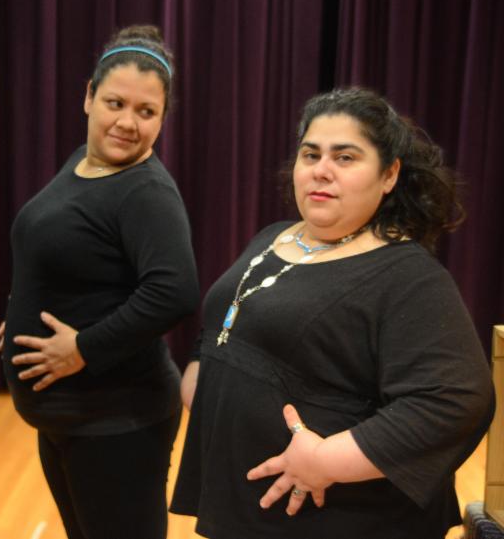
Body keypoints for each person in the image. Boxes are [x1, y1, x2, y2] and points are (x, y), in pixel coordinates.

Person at [170, 87, 495, 539]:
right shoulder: (274, 236)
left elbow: (456, 400)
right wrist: (204, 375)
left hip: (339, 519)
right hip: (251, 505)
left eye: (345, 157)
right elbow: (229, 317)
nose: (321, 171)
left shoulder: (408, 275)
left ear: (389, 175)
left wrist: (327, 461)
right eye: (311, 154)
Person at [0, 25, 199, 539]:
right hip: (72, 416)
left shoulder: (147, 192)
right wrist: (25, 311)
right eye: (115, 102)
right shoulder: (85, 164)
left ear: (162, 119)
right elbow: (76, 261)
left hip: (117, 419)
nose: (127, 123)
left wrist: (83, 348)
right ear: (88, 96)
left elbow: (172, 292)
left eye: (146, 111)